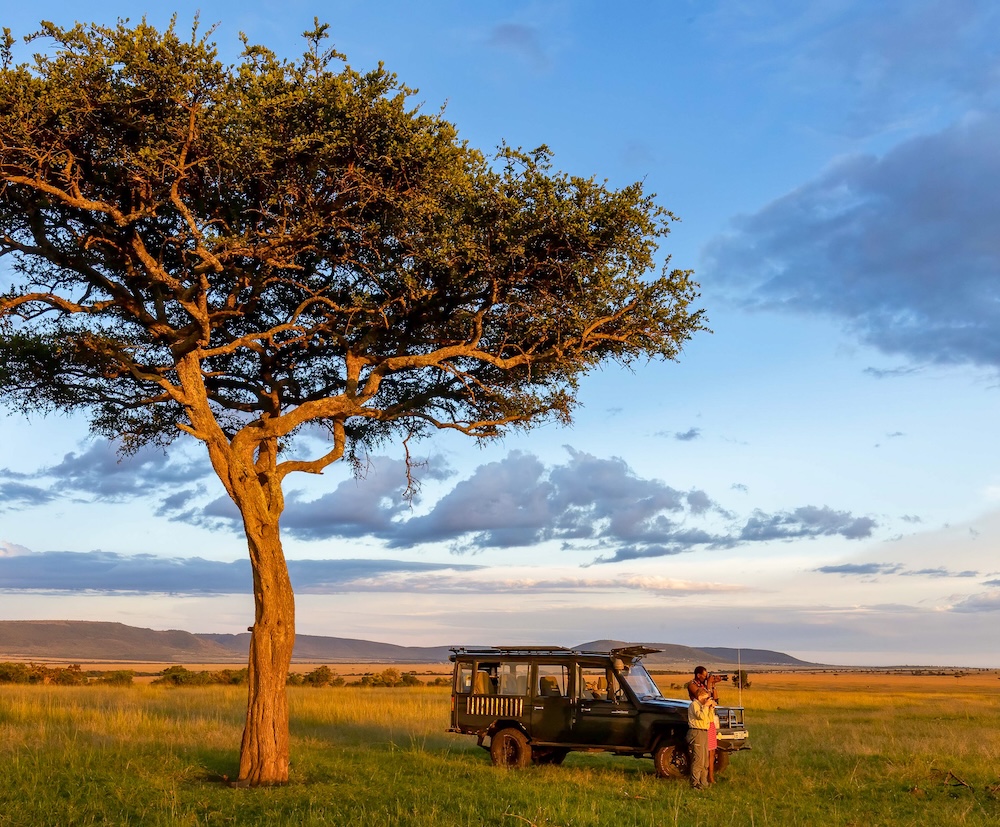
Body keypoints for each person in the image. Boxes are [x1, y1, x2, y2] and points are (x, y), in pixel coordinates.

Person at [686, 687, 715, 790]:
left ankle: (703, 782)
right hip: (696, 731)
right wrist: (706, 706)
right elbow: (701, 717)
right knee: (698, 759)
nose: (707, 699)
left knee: (705, 760)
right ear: (700, 697)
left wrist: (710, 709)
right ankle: (695, 783)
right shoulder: (694, 705)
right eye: (706, 697)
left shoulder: (703, 706)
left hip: (704, 731)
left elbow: (710, 719)